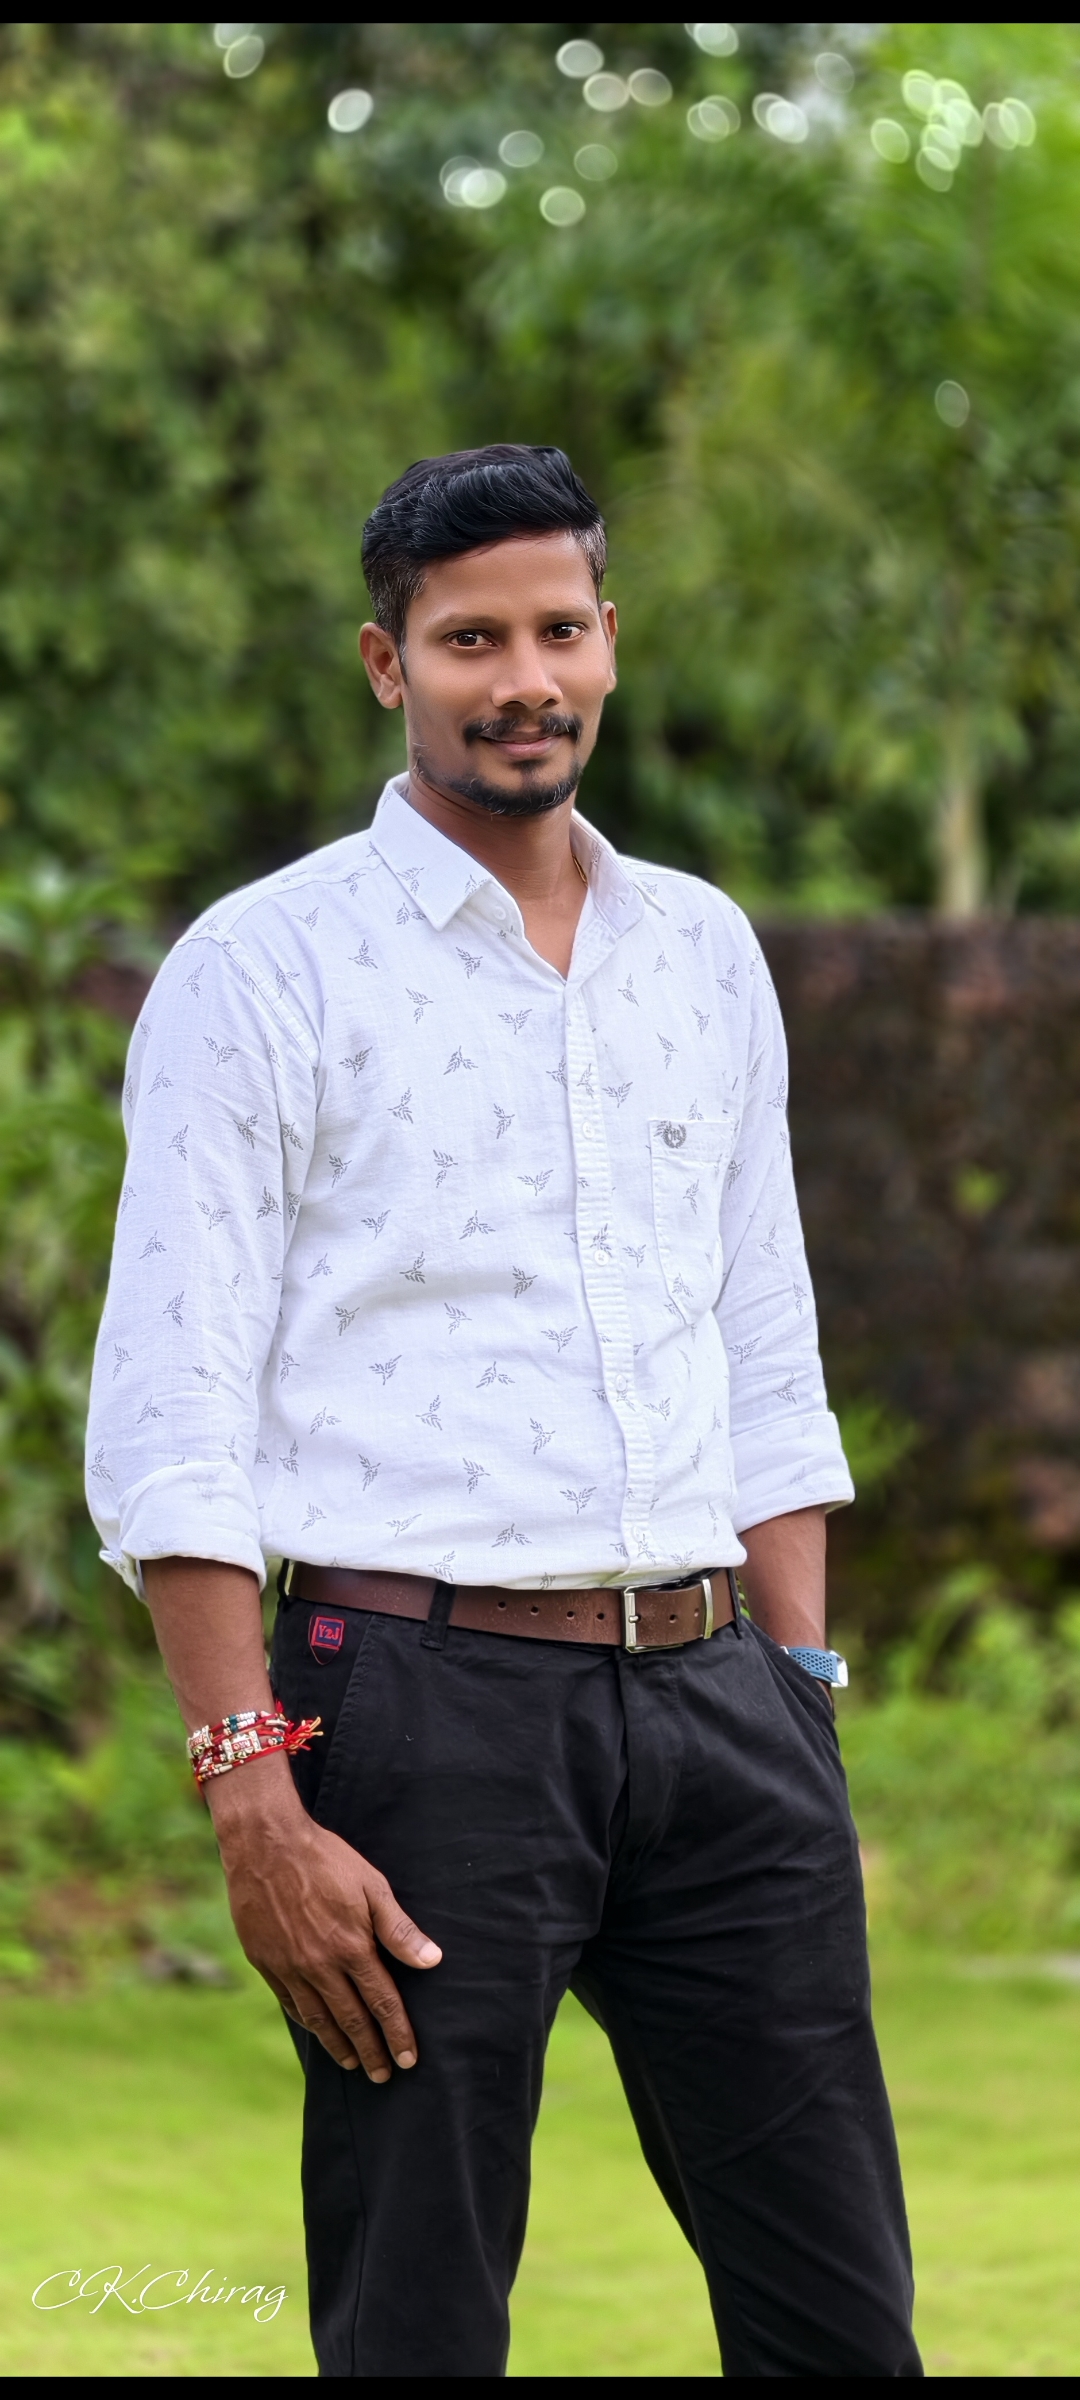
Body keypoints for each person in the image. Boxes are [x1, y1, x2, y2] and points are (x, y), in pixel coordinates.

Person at [85, 443, 921, 2379]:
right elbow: (173, 1400)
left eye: (558, 630)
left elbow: (764, 1338)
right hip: (416, 1713)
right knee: (421, 2322)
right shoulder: (263, 969)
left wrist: (799, 1690)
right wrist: (249, 1789)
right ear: (389, 664)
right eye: (471, 641)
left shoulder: (700, 951)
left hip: (725, 1708)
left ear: (609, 639)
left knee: (839, 2320)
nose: (523, 679)